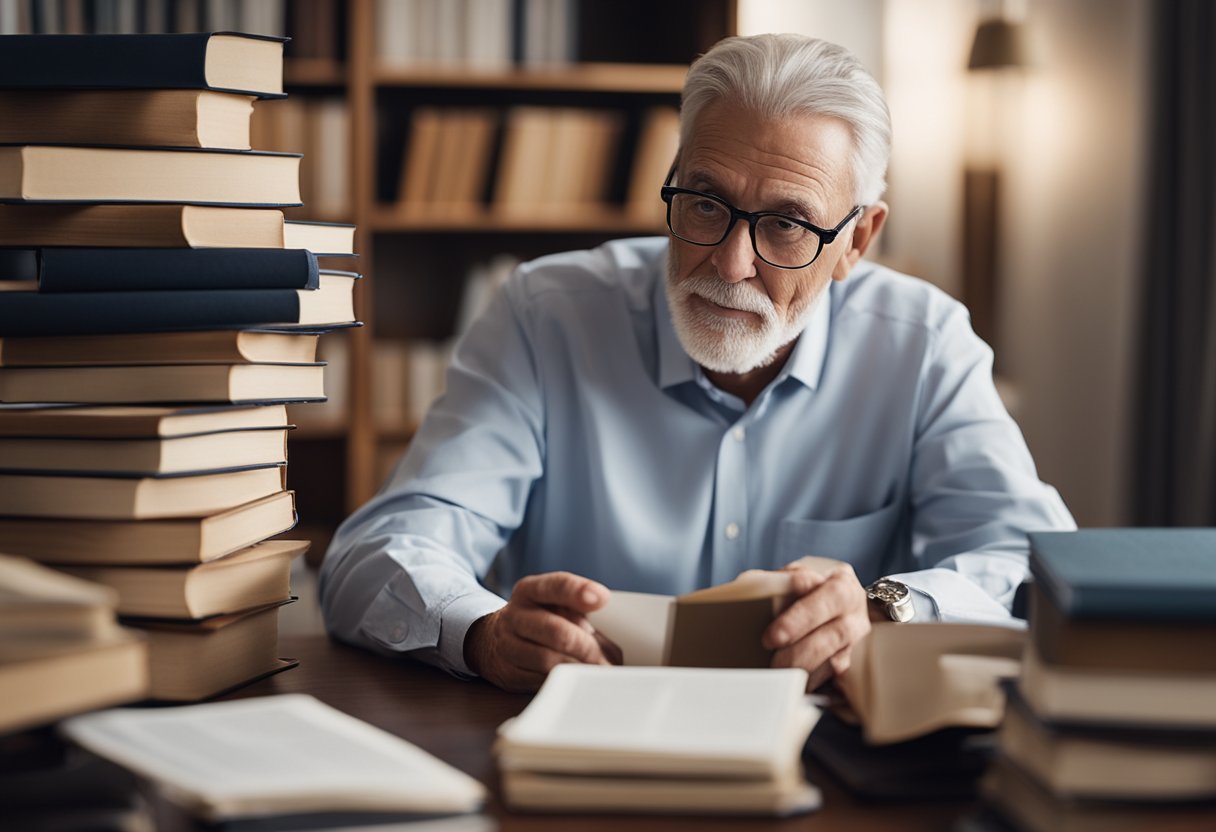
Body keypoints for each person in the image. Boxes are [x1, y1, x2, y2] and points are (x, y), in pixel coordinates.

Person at [319, 33, 1074, 693]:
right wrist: (481, 632)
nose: (730, 263)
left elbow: (1034, 570)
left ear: (857, 241)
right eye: (705, 203)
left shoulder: (923, 343)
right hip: (578, 753)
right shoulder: (545, 316)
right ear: (673, 180)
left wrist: (887, 608)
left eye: (785, 225)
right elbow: (372, 558)